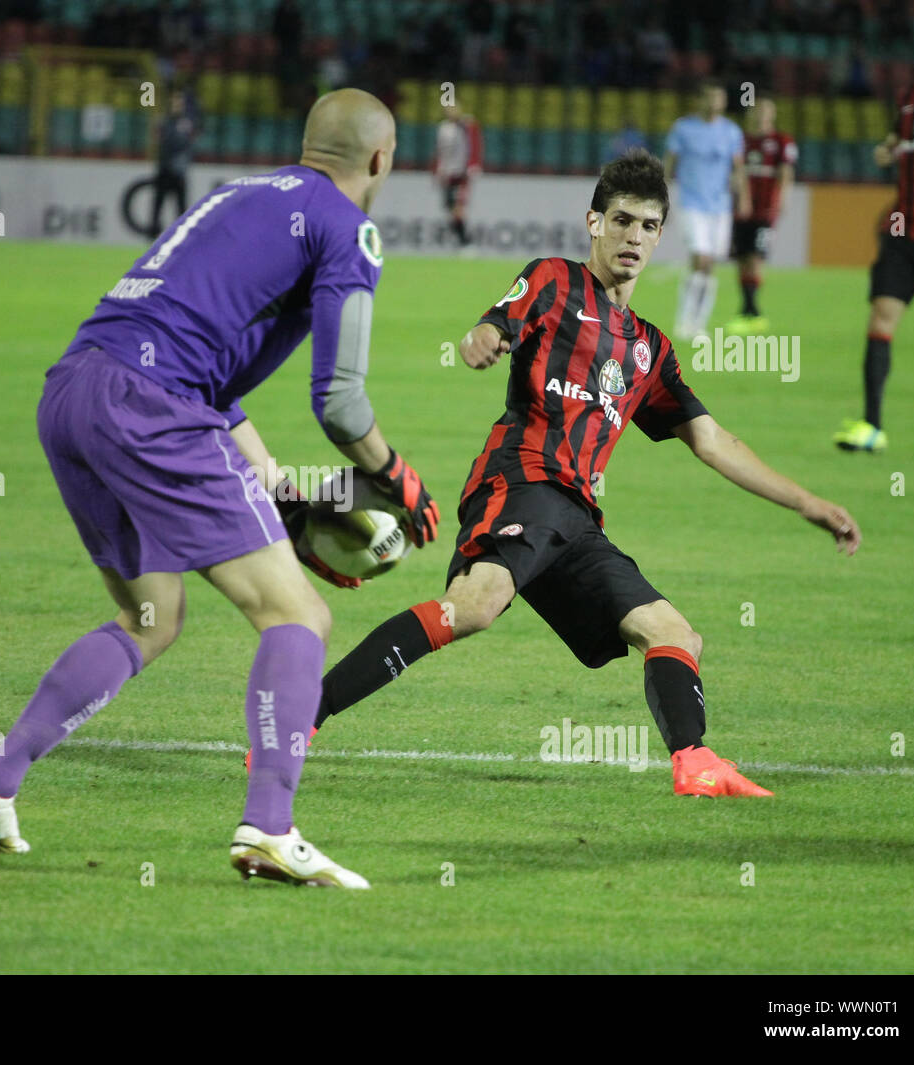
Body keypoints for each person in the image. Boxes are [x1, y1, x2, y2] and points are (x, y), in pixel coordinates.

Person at [0, 89, 441, 889]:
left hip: (75, 391)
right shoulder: (350, 228)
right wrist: (394, 474)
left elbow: (206, 369)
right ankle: (270, 827)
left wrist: (275, 487)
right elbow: (338, 399)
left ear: (307, 143)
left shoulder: (237, 193)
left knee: (150, 616)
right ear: (382, 159)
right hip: (152, 405)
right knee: (298, 612)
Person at [302, 151, 861, 800]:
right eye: (621, 220)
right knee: (475, 607)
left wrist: (809, 503)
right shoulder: (553, 281)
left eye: (649, 226)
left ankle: (695, 758)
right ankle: (304, 717)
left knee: (676, 633)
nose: (633, 236)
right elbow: (494, 323)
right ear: (593, 222)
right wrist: (479, 338)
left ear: (660, 236)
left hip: (576, 518)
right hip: (521, 482)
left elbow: (711, 440)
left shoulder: (649, 347)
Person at [834, 28, 914, 453]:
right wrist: (887, 150)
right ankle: (872, 426)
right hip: (903, 232)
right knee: (881, 320)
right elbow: (897, 144)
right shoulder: (908, 100)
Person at [663, 82, 749, 341]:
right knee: (700, 257)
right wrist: (662, 196)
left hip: (720, 206)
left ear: (724, 102)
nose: (714, 103)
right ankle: (684, 321)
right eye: (710, 98)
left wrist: (743, 196)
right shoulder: (683, 128)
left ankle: (697, 324)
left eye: (719, 98)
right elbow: (670, 164)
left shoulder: (732, 131)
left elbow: (738, 167)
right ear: (700, 100)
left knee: (709, 264)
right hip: (691, 203)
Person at [727, 98, 796, 334]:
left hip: (766, 209)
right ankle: (747, 310)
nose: (761, 116)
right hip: (740, 209)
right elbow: (735, 172)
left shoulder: (781, 141)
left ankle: (752, 310)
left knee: (757, 257)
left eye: (766, 111)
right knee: (742, 258)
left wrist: (781, 200)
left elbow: (786, 173)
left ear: (773, 114)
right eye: (758, 111)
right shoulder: (740, 141)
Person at [434, 104, 483, 250]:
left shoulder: (467, 124)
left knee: (458, 208)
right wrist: (437, 170)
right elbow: (440, 150)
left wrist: (474, 164)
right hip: (447, 173)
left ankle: (465, 242)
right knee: (449, 209)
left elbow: (476, 144)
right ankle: (461, 240)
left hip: (461, 173)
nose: (450, 112)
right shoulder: (443, 128)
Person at [149, 88, 195, 238]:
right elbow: (159, 140)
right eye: (174, 102)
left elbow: (187, 143)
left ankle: (181, 237)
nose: (177, 105)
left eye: (179, 102)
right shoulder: (164, 122)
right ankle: (153, 234)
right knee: (158, 204)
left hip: (179, 170)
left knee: (180, 207)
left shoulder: (186, 123)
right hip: (165, 169)